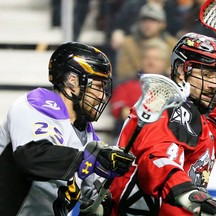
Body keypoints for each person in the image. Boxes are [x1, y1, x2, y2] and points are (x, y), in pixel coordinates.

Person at [108, 32, 216, 215]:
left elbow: (210, 142)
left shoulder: (190, 111)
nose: (214, 84)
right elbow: (156, 161)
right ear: (181, 70)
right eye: (207, 74)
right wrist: (198, 202)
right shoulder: (165, 103)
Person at [0, 42, 134, 216]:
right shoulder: (37, 103)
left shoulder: (86, 133)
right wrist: (90, 160)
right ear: (72, 81)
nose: (102, 95)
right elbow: (31, 156)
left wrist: (105, 197)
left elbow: (93, 193)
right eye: (97, 86)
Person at [110, 38, 169, 139]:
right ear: (141, 61)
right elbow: (123, 113)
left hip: (164, 138)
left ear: (164, 62)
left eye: (156, 59)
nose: (151, 62)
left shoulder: (174, 89)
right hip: (130, 137)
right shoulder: (125, 86)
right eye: (147, 58)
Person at [114, 2, 178, 83]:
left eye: (153, 21)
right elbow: (123, 73)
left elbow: (175, 73)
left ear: (162, 24)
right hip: (135, 86)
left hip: (165, 86)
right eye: (145, 21)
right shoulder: (128, 43)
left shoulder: (172, 45)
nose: (148, 25)